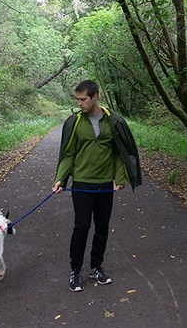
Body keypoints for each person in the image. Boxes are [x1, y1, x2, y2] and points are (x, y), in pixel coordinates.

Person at [53, 80, 142, 292]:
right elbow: (68, 154)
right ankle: (75, 270)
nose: (80, 104)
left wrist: (119, 179)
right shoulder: (74, 122)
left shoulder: (114, 122)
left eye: (83, 99)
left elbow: (120, 153)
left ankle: (96, 267)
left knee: (102, 227)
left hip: (104, 185)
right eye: (78, 100)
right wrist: (60, 179)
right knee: (81, 226)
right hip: (82, 183)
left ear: (95, 97)